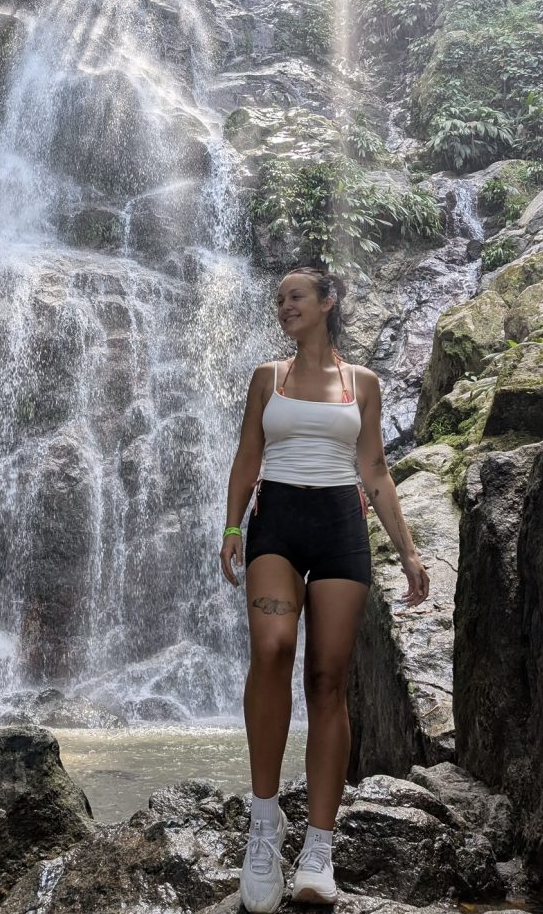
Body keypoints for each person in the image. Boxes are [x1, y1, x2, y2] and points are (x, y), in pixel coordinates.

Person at [219, 265, 430, 913]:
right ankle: (263, 828)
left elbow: (375, 471)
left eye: (296, 296)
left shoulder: (362, 383)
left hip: (341, 523)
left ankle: (318, 847)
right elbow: (247, 457)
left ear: (328, 301)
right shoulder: (268, 377)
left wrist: (409, 552)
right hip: (277, 521)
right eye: (279, 299)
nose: (284, 305)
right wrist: (232, 526)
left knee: (328, 680)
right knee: (273, 648)